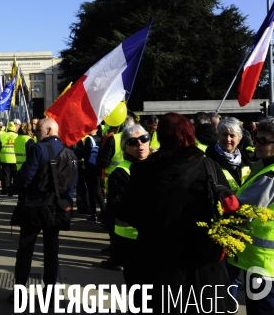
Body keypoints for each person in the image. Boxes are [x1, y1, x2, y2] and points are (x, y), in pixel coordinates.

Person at [115, 112, 235, 312]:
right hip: (201, 263)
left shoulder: (143, 172)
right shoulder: (209, 167)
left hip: (155, 261)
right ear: (190, 134)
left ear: (160, 137)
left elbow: (128, 213)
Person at [11, 118, 77, 295]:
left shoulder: (38, 149)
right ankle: (50, 289)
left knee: (25, 250)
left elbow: (25, 177)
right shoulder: (69, 152)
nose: (35, 133)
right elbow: (72, 184)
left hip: (34, 207)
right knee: (51, 250)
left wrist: (14, 189)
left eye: (38, 130)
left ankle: (19, 291)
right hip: (57, 209)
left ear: (48, 131)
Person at [227, 117, 274, 314]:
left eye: (264, 141)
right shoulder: (264, 168)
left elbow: (242, 210)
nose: (257, 144)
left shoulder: (270, 176)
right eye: (256, 139)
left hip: (262, 265)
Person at [104, 125, 151, 280]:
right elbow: (117, 208)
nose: (140, 144)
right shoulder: (120, 173)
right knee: (137, 290)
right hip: (130, 242)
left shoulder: (158, 166)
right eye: (132, 142)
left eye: (143, 139)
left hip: (154, 239)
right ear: (125, 147)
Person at [205, 117, 252, 192]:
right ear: (218, 136)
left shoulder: (246, 160)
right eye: (224, 134)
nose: (228, 139)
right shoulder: (210, 160)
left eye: (232, 135)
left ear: (239, 139)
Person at [84, 127, 104, 223]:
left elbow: (86, 154)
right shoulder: (101, 138)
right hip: (99, 168)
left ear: (96, 128)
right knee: (98, 191)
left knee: (92, 192)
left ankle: (93, 214)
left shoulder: (89, 139)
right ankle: (104, 212)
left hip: (90, 169)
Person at [0, 121, 18, 195]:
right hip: (14, 158)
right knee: (15, 175)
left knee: (6, 175)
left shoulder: (3, 135)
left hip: (5, 158)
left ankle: (5, 189)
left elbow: (0, 146)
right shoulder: (16, 136)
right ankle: (15, 190)